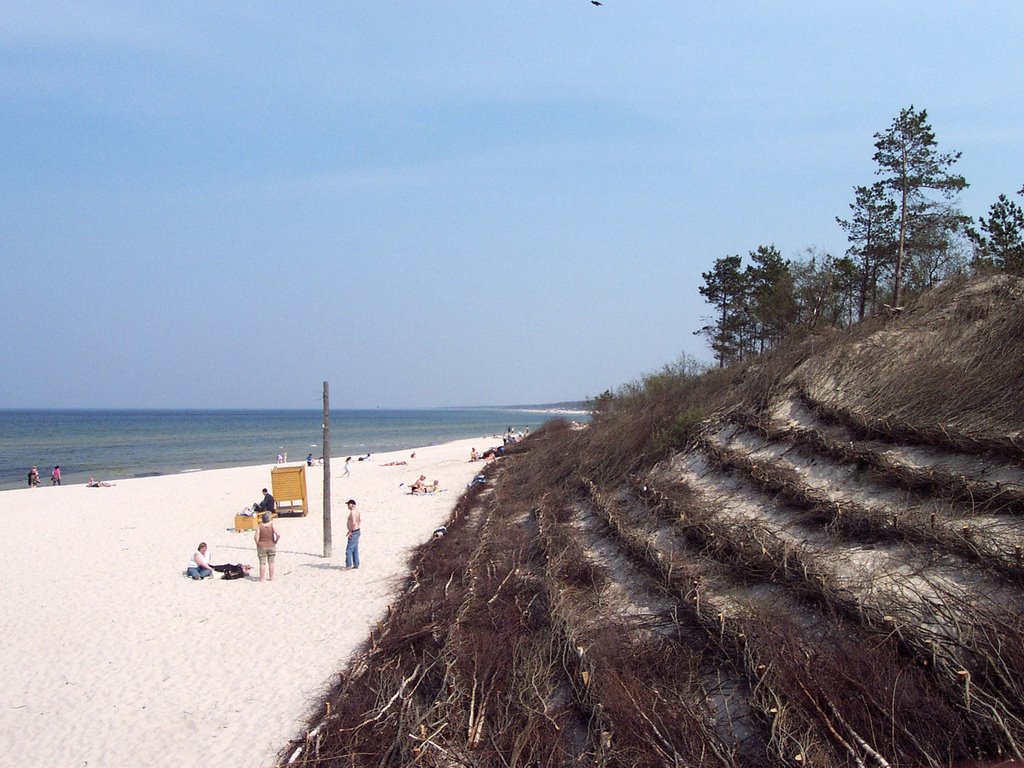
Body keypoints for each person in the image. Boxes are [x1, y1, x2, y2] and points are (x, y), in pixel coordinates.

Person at [254, 512, 279, 582]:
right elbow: (278, 535)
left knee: (262, 563)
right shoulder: (272, 526)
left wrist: (257, 543)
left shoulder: (260, 526)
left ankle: (262, 579)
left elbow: (256, 537)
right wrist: (276, 541)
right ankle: (272, 578)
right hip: (271, 545)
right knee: (271, 562)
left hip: (261, 546)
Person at [345, 499, 361, 569]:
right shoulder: (357, 511)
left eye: (348, 505)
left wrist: (351, 531)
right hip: (357, 531)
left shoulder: (353, 512)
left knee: (348, 550)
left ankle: (348, 565)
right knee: (355, 549)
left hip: (354, 532)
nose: (348, 506)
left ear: (351, 504)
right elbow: (359, 521)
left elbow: (354, 523)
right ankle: (356, 564)